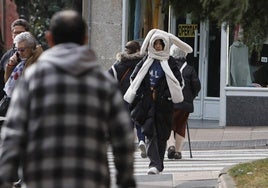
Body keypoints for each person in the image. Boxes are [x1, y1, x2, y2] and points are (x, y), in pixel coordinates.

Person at [0, 10, 136, 188]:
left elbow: (14, 132)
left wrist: (6, 177)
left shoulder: (32, 78)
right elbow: (122, 135)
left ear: (49, 39)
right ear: (85, 39)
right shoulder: (102, 81)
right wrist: (126, 179)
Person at [124, 29, 193, 175]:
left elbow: (179, 82)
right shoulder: (146, 60)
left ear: (165, 45)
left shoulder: (170, 62)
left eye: (160, 44)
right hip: (147, 104)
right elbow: (134, 78)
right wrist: (142, 94)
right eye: (155, 44)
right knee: (149, 132)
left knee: (162, 135)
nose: (158, 47)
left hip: (164, 105)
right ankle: (153, 164)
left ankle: (158, 164)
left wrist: (168, 95)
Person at [108, 40, 147, 158]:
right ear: (137, 50)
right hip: (139, 96)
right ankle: (142, 140)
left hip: (124, 98)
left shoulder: (118, 64)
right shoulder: (143, 63)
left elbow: (108, 78)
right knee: (140, 120)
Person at [167, 44, 201, 159]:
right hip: (185, 103)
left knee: (169, 125)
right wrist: (192, 96)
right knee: (181, 125)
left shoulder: (168, 67)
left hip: (170, 101)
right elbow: (197, 86)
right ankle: (178, 151)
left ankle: (170, 145)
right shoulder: (190, 69)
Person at [0, 19, 30, 99]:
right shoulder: (6, 56)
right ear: (12, 34)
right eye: (15, 33)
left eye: (20, 33)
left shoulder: (35, 53)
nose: (17, 35)